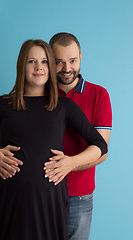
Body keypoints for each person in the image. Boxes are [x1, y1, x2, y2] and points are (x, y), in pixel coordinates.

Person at [0, 39, 108, 240]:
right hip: (11, 204)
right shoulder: (1, 105)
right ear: (21, 65)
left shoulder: (64, 106)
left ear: (50, 67)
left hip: (50, 206)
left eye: (44, 61)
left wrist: (71, 162)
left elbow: (100, 145)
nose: (38, 67)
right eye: (31, 61)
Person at [44, 32, 112, 240]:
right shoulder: (37, 93)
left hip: (79, 197)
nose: (67, 69)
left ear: (80, 57)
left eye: (73, 61)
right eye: (59, 62)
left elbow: (101, 151)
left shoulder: (99, 94)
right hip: (40, 193)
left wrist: (69, 164)